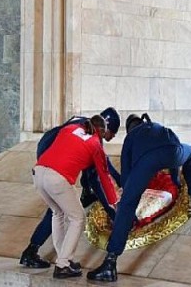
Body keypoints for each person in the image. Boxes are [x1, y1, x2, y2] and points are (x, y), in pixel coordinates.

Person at [87, 113, 191, 282]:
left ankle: (110, 264)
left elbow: (126, 176)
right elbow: (175, 147)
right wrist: (175, 180)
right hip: (172, 152)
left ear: (129, 128)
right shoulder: (157, 126)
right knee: (190, 153)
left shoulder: (131, 137)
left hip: (145, 163)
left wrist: (129, 195)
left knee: (127, 205)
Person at [19, 108, 122, 269]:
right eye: (113, 133)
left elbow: (102, 166)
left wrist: (119, 182)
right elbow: (99, 177)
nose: (113, 137)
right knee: (77, 217)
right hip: (57, 172)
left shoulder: (76, 127)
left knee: (57, 211)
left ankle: (59, 256)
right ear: (105, 129)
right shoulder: (95, 141)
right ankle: (61, 263)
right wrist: (114, 211)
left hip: (40, 168)